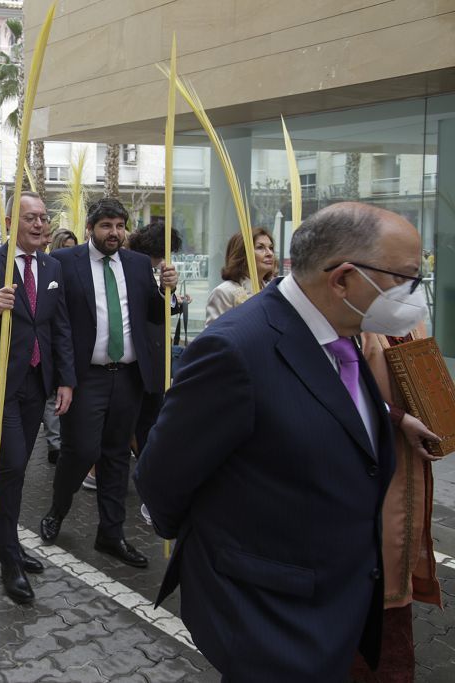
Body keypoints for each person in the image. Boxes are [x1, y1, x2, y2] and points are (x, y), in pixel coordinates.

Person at [134, 202, 427, 681]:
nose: (414, 295)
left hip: (338, 603)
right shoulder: (236, 349)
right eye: (406, 278)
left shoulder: (343, 330)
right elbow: (161, 476)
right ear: (343, 279)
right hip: (271, 619)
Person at [39, 199, 178, 570]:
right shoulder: (66, 263)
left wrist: (168, 291)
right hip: (86, 378)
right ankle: (58, 509)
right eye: (106, 226)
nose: (114, 232)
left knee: (117, 455)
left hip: (128, 376)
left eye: (120, 225)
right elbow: (59, 324)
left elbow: (152, 313)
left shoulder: (135, 264)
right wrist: (64, 377)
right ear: (90, 228)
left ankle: (111, 533)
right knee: (81, 450)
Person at [0, 191, 76, 605]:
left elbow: (59, 327)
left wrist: (65, 380)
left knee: (17, 468)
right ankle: (7, 554)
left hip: (38, 382)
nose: (40, 225)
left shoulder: (52, 265)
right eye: (31, 218)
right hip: (1, 383)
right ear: (12, 222)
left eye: (43, 217)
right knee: (10, 462)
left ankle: (5, 540)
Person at [351, 326, 442, 681]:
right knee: (368, 584)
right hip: (369, 476)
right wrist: (398, 418)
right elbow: (341, 391)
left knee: (395, 588)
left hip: (407, 473)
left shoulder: (411, 322)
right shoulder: (351, 322)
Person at [126, 220, 185, 455]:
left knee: (149, 416)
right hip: (142, 355)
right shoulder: (135, 266)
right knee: (144, 418)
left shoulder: (150, 268)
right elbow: (148, 309)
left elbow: (156, 305)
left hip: (154, 356)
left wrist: (168, 295)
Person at [41, 227, 79, 463]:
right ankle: (55, 442)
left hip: (73, 338)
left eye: (74, 248)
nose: (71, 253)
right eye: (66, 248)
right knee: (51, 393)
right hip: (53, 340)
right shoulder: (51, 270)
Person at [205, 227, 276, 326]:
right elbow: (214, 339)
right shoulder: (224, 292)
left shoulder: (272, 291)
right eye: (260, 247)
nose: (270, 253)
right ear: (242, 254)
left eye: (271, 248)